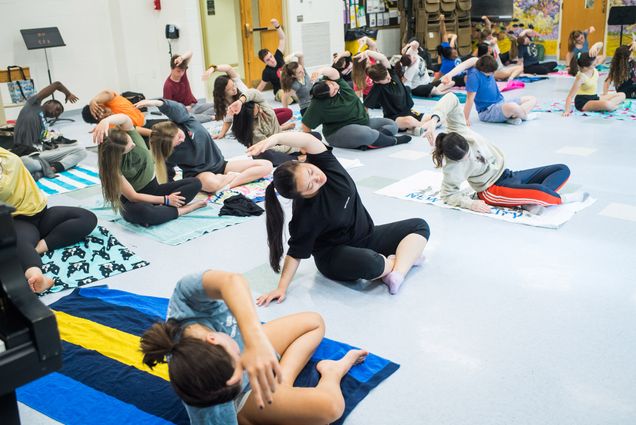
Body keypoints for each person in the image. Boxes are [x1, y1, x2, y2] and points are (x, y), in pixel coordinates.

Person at [140, 269, 369, 425]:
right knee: (330, 409)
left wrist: (255, 339)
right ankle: (330, 372)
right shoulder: (206, 403)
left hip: (252, 344)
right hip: (247, 399)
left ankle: (281, 384)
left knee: (314, 322)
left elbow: (232, 281)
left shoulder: (186, 301)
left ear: (214, 339)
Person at [248, 132, 430, 302]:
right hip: (334, 255)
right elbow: (295, 253)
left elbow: (308, 140)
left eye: (310, 172)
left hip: (366, 236)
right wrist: (281, 288)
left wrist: (274, 139)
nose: (317, 179)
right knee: (372, 263)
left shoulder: (326, 165)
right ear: (301, 195)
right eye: (310, 186)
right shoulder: (306, 214)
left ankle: (395, 272)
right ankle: (401, 261)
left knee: (419, 226)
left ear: (304, 161)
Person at [417, 93, 586, 213]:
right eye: (463, 159)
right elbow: (447, 194)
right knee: (539, 190)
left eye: (467, 153)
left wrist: (434, 120)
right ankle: (560, 199)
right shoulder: (452, 169)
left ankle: (531, 201)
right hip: (492, 190)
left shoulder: (459, 129)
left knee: (562, 169)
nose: (468, 158)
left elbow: (452, 98)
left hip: (508, 174)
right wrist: (469, 204)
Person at [0, 147, 97, 293]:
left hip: (42, 212)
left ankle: (39, 247)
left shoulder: (3, 154)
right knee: (19, 243)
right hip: (19, 221)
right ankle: (38, 277)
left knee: (87, 218)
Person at [135, 98, 273, 193]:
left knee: (266, 165)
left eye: (179, 136)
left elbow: (175, 108)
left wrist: (155, 102)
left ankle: (229, 183)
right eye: (177, 142)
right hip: (200, 174)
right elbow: (167, 179)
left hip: (221, 165)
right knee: (211, 184)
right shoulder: (167, 153)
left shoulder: (186, 121)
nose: (181, 140)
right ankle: (227, 180)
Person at [92, 113, 206, 226]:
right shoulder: (112, 167)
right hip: (134, 199)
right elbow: (133, 196)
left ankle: (161, 212)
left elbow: (125, 118)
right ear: (118, 154)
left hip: (154, 188)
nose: (134, 145)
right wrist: (165, 200)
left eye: (131, 140)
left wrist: (106, 121)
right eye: (130, 147)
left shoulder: (133, 137)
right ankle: (182, 210)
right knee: (143, 212)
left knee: (195, 183)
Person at [301, 67, 411, 150]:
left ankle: (372, 142)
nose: (336, 87)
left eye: (332, 84)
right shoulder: (318, 104)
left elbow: (333, 72)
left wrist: (321, 70)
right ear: (327, 97)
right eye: (333, 91)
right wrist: (309, 146)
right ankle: (393, 141)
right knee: (366, 133)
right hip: (338, 132)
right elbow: (306, 126)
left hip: (362, 122)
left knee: (392, 125)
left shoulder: (339, 84)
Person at [13, 81, 86, 179]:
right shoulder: (32, 105)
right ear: (48, 103)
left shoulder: (45, 125)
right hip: (28, 156)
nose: (57, 114)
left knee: (81, 150)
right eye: (57, 109)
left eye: (59, 114)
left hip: (42, 154)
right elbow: (57, 84)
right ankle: (44, 168)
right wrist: (68, 94)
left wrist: (53, 144)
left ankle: (52, 168)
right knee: (27, 163)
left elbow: (43, 141)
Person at [211, 65, 292, 140]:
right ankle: (278, 128)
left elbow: (229, 68)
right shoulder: (225, 103)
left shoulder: (241, 88)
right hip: (250, 124)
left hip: (262, 114)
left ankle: (275, 127)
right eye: (230, 89)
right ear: (223, 92)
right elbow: (228, 120)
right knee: (246, 130)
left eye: (233, 85)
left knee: (287, 112)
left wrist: (212, 68)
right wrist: (222, 133)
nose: (234, 88)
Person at [360, 50, 428, 135]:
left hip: (409, 112)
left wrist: (367, 52)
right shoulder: (377, 88)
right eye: (385, 78)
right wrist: (365, 124)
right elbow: (365, 107)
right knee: (409, 121)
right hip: (394, 118)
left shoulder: (391, 74)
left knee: (434, 118)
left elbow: (383, 58)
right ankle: (425, 127)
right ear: (377, 81)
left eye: (387, 74)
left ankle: (417, 128)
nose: (388, 78)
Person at [228, 90, 303, 166]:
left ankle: (296, 152)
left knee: (307, 138)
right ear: (250, 118)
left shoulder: (263, 107)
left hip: (281, 138)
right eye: (256, 113)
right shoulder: (255, 130)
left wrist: (240, 101)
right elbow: (270, 148)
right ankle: (296, 158)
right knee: (266, 155)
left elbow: (255, 93)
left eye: (258, 106)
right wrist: (293, 148)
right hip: (272, 148)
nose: (261, 111)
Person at [461, 55, 537, 125]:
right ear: (485, 70)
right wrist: (465, 118)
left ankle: (512, 116)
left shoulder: (485, 68)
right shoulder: (473, 76)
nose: (493, 73)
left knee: (532, 99)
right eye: (492, 72)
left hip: (501, 103)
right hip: (488, 111)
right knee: (513, 107)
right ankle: (525, 117)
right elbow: (469, 99)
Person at [164, 51, 215, 123]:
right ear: (172, 69)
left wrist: (181, 58)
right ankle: (209, 117)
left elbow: (190, 53)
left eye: (183, 71)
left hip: (194, 106)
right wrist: (183, 108)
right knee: (189, 117)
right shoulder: (168, 86)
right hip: (183, 112)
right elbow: (168, 107)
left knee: (216, 105)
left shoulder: (182, 74)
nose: (181, 74)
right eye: (178, 71)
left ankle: (201, 117)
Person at [82, 89, 153, 137]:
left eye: (104, 111)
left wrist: (94, 100)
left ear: (101, 105)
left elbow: (108, 92)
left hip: (144, 121)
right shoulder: (110, 126)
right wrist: (155, 134)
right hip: (141, 132)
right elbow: (136, 130)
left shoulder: (111, 101)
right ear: (99, 122)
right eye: (105, 117)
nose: (108, 115)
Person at [256, 18, 286, 101]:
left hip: (290, 87)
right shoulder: (267, 72)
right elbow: (260, 88)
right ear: (265, 62)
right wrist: (249, 98)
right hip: (279, 92)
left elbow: (282, 39)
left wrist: (277, 26)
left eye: (271, 57)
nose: (271, 60)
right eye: (267, 60)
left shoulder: (278, 56)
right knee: (284, 95)